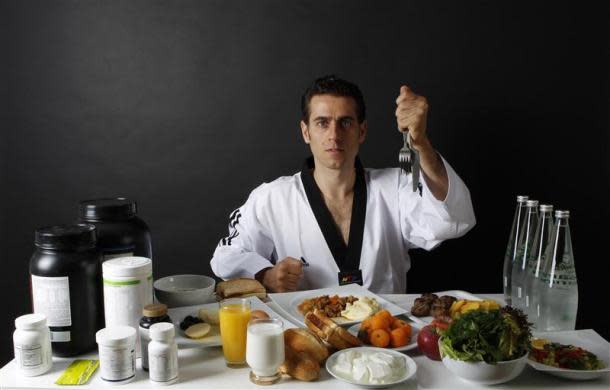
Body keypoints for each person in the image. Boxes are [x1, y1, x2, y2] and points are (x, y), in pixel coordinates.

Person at [210, 75, 475, 294]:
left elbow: (451, 220)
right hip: (306, 338)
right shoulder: (272, 198)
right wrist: (266, 275)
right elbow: (226, 256)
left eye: (345, 122)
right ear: (306, 132)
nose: (334, 135)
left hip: (387, 341)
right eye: (322, 123)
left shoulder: (395, 188)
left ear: (362, 131)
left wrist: (420, 142)